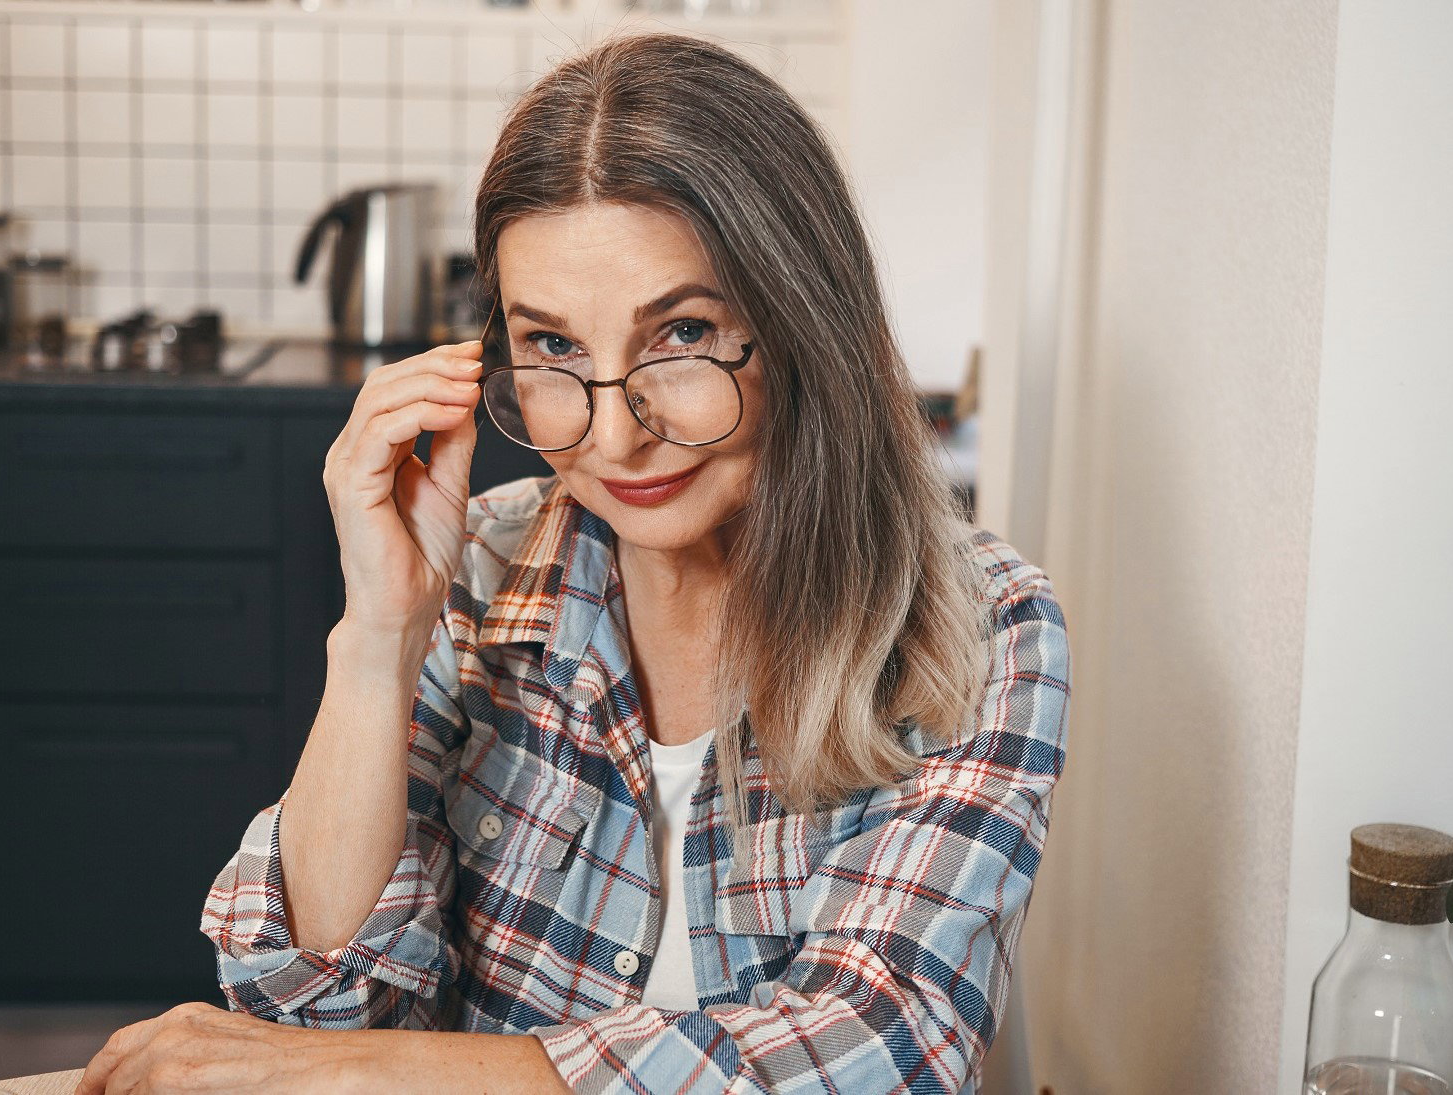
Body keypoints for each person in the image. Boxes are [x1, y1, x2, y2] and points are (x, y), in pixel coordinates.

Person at [77, 30, 1069, 1095]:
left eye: (680, 334)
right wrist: (378, 639)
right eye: (551, 348)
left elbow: (878, 1050)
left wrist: (349, 1071)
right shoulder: (480, 563)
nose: (612, 436)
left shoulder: (978, 625)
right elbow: (311, 1000)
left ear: (801, 327)